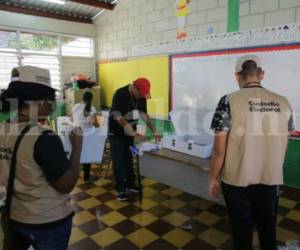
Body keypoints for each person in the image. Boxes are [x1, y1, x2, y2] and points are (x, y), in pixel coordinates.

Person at [209, 55, 294, 250]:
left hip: (237, 180)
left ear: (237, 76)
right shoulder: (284, 102)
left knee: (241, 230)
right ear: (261, 75)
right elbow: (284, 142)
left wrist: (213, 178)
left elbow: (219, 150)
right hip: (270, 178)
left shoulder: (228, 101)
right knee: (267, 228)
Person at [0, 65, 83, 250]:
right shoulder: (44, 138)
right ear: (37, 101)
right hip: (47, 221)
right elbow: (65, 185)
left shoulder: (2, 129)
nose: (51, 105)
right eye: (50, 99)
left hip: (13, 216)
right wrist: (77, 147)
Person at [109, 77, 161, 201]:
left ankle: (131, 185)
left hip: (130, 132)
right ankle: (121, 189)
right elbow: (119, 118)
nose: (141, 97)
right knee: (119, 161)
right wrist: (134, 134)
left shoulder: (141, 96)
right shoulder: (120, 94)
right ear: (134, 87)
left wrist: (154, 130)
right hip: (116, 132)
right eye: (140, 94)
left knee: (129, 159)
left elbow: (143, 114)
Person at [72, 91, 99, 182]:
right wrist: (98, 124)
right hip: (87, 135)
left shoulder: (75, 106)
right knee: (87, 155)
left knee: (77, 154)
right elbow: (95, 123)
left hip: (75, 134)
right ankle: (87, 176)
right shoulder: (92, 108)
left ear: (82, 98)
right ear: (91, 99)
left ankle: (74, 174)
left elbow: (72, 119)